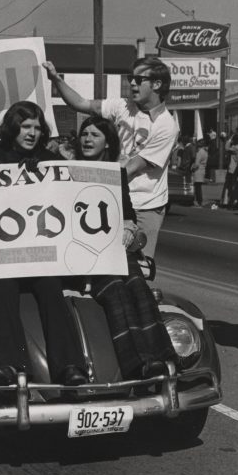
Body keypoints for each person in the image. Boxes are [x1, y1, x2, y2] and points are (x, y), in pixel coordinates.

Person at [0, 101, 88, 387]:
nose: (32, 133)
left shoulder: (49, 160)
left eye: (37, 127)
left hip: (42, 255)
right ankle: (10, 365)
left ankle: (70, 366)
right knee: (4, 295)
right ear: (13, 128)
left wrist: (47, 171)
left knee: (52, 293)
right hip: (5, 255)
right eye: (26, 127)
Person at [74, 115, 178, 379]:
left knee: (138, 287)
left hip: (113, 249)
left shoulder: (114, 174)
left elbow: (127, 213)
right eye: (84, 134)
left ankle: (163, 357)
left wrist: (129, 232)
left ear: (107, 143)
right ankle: (138, 362)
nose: (87, 139)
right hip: (81, 254)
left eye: (95, 135)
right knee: (116, 291)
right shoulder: (65, 171)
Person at [43, 57, 178, 261]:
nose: (132, 83)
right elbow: (81, 103)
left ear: (157, 84)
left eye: (138, 79)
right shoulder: (123, 105)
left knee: (139, 264)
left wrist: (75, 165)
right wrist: (55, 79)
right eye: (131, 78)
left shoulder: (166, 126)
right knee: (104, 259)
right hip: (112, 195)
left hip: (144, 204)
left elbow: (129, 169)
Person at [191, 138, 209, 207]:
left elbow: (196, 164)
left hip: (197, 171)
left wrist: (192, 168)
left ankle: (198, 201)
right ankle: (199, 201)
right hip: (202, 170)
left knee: (197, 188)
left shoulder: (199, 152)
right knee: (199, 187)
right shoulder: (205, 152)